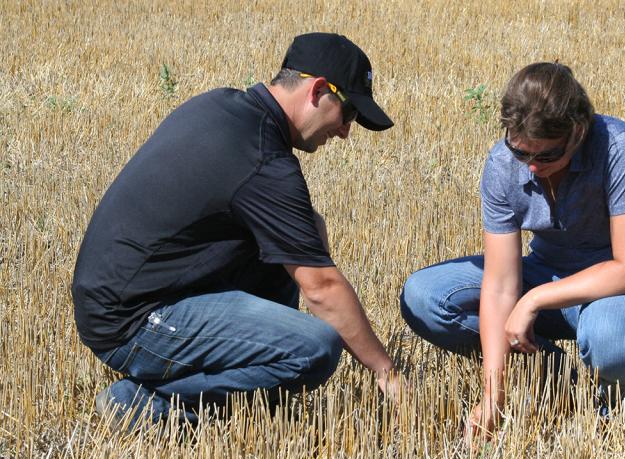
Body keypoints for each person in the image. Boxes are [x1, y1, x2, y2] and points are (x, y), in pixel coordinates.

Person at [72, 32, 401, 428]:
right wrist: (387, 373)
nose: (347, 131)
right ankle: (146, 404)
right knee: (314, 348)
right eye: (348, 114)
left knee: (295, 238)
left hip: (120, 295)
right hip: (131, 321)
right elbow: (322, 290)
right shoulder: (264, 159)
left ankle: (257, 386)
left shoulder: (225, 107)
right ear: (317, 90)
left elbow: (303, 228)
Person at [400, 62, 625, 438]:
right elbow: (498, 286)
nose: (529, 167)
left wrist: (533, 301)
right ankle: (561, 379)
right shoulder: (502, 163)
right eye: (520, 152)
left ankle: (621, 417)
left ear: (578, 131)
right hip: (547, 272)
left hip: (623, 292)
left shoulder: (620, 149)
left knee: (610, 338)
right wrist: (494, 395)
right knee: (425, 296)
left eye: (545, 156)